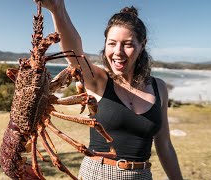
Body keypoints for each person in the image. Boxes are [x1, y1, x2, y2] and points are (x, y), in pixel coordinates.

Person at [36, 0, 184, 179]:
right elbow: (73, 52)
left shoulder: (159, 87)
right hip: (98, 173)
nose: (118, 52)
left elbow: (165, 146)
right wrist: (57, 9)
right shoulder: (98, 80)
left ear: (142, 45)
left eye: (127, 44)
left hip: (142, 175)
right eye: (112, 43)